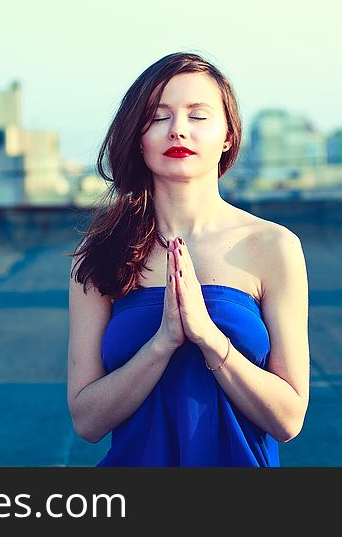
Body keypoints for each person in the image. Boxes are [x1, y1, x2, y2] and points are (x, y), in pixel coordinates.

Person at [66, 52, 309, 466]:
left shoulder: (273, 246)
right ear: (137, 136)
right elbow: (87, 422)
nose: (178, 130)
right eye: (158, 117)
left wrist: (209, 339)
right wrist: (162, 343)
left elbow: (288, 420)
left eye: (198, 116)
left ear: (228, 135)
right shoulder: (101, 252)